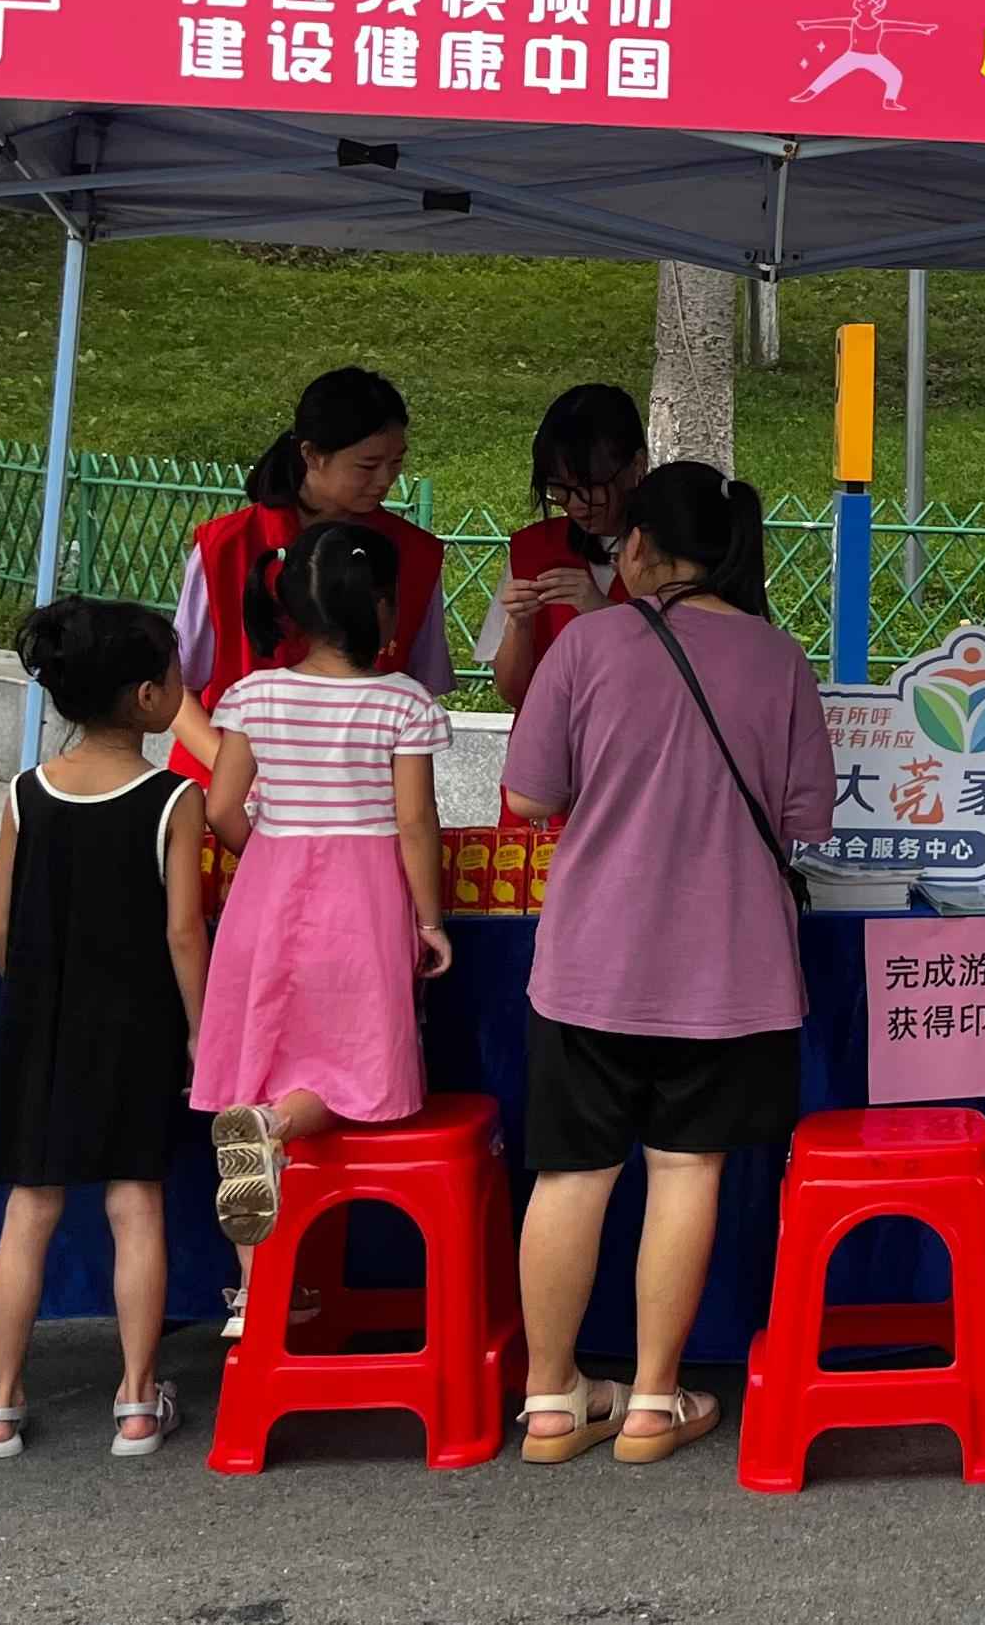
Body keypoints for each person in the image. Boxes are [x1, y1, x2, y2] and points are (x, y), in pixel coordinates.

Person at [504, 463, 833, 1466]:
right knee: (686, 1170)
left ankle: (551, 1401)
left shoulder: (590, 642)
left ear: (639, 546)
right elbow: (806, 819)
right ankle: (652, 1400)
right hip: (728, 969)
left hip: (590, 961)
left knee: (572, 1174)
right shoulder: (779, 657)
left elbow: (528, 796)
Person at [0, 601, 207, 1461]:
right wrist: (199, 1030)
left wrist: (36, 992)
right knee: (135, 1202)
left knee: (30, 1207)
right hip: (136, 1028)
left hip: (41, 1027)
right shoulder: (173, 799)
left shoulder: (25, 793)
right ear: (146, 697)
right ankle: (138, 1401)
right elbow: (184, 932)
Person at [192, 522, 452, 1290]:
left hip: (266, 896)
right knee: (350, 1068)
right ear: (381, 606)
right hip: (361, 904)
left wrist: (271, 853)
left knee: (260, 1064)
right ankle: (274, 1128)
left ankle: (256, 1292)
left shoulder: (253, 695)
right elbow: (414, 822)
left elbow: (222, 808)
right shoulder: (402, 703)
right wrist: (430, 921)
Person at [172, 367, 449, 783]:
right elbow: (177, 691)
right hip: (222, 792)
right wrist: (246, 779)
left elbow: (423, 685)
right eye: (368, 465)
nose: (386, 480)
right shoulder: (226, 548)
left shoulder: (415, 555)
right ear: (312, 455)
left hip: (353, 799)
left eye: (396, 462)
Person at [484, 383, 644, 708]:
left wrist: (602, 611)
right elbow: (514, 693)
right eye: (560, 489)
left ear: (636, 466)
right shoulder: (534, 548)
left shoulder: (673, 550)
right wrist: (519, 624)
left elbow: (691, 670)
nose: (577, 503)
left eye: (591, 486)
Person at [786, 0, 936, 111]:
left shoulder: (880, 24)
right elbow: (831, 23)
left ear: (874, 5)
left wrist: (923, 28)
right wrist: (809, 24)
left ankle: (889, 102)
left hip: (873, 57)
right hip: (852, 56)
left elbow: (902, 26)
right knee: (829, 74)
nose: (858, 1)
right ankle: (808, 94)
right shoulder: (853, 22)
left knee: (895, 76)